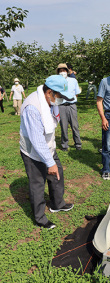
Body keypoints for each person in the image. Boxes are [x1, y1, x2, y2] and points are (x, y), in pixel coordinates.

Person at [20, 75, 74, 229]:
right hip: (33, 151)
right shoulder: (33, 107)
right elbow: (36, 140)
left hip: (48, 146)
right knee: (37, 183)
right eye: (60, 96)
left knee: (57, 173)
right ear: (50, 92)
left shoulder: (49, 101)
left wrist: (51, 161)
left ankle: (57, 204)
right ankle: (40, 218)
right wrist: (49, 163)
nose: (61, 100)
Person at [56, 63, 82, 151]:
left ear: (67, 71)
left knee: (75, 126)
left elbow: (77, 92)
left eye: (64, 70)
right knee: (64, 126)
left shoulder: (73, 80)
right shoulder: (56, 82)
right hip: (61, 106)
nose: (62, 72)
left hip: (72, 105)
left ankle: (78, 144)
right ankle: (64, 145)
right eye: (60, 71)